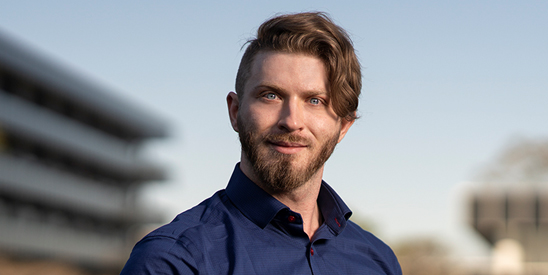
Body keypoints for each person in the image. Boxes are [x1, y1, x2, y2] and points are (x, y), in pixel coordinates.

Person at [121, 12, 401, 275]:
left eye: (315, 101)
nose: (292, 121)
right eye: (271, 96)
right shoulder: (173, 260)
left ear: (343, 126)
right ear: (235, 111)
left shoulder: (379, 261)